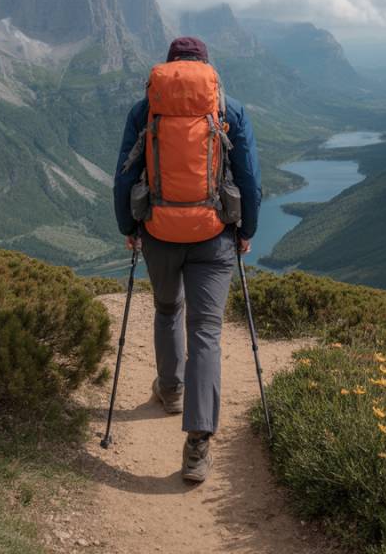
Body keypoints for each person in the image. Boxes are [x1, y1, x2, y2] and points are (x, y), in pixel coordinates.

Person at [113, 36, 261, 483]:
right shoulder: (227, 108)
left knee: (166, 308)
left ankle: (171, 389)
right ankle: (198, 444)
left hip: (159, 231)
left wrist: (129, 228)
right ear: (206, 67)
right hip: (214, 235)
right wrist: (246, 231)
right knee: (206, 332)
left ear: (169, 67)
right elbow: (250, 178)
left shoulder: (146, 109)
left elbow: (123, 175)